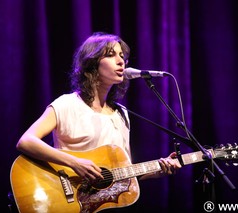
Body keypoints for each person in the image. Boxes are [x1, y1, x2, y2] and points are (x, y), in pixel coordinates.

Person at [15, 32, 181, 210]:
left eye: (122, 57)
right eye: (111, 55)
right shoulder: (67, 104)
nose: (121, 62)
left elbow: (121, 172)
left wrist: (157, 170)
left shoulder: (121, 114)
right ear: (92, 63)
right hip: (66, 200)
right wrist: (75, 163)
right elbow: (26, 141)